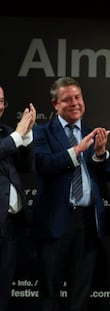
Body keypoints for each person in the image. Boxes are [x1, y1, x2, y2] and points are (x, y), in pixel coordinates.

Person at [31, 77, 110, 311]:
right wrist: (78, 150)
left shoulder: (91, 132)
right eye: (67, 99)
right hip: (55, 222)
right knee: (49, 291)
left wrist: (100, 154)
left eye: (77, 97)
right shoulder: (41, 132)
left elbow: (109, 173)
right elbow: (43, 164)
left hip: (87, 223)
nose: (75, 103)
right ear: (55, 104)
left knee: (81, 292)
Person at [0, 85, 36, 311]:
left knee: (3, 289)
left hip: (10, 225)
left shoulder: (5, 132)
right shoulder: (10, 136)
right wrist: (17, 135)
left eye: (2, 101)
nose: (0, 106)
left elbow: (26, 165)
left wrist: (28, 133)